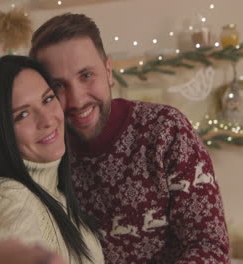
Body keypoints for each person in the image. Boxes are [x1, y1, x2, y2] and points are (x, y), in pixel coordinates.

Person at [29, 13, 230, 263]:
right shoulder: (47, 153)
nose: (78, 99)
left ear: (108, 71)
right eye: (58, 85)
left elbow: (210, 245)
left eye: (86, 76)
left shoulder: (166, 130)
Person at [0, 55, 104, 264]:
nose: (47, 120)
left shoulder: (55, 194)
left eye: (48, 99)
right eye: (22, 115)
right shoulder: (9, 196)